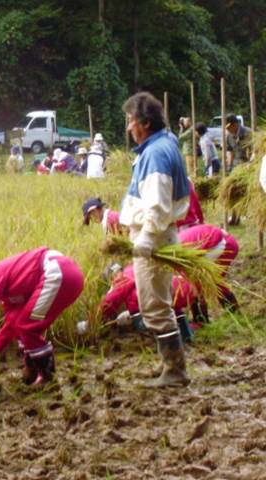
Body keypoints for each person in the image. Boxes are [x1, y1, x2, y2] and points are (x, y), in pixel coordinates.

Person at [121, 91, 191, 388]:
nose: (128, 128)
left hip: (155, 235)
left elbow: (158, 202)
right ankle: (170, 365)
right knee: (158, 301)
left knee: (154, 306)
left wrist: (147, 237)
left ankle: (174, 370)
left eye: (130, 121)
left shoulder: (155, 153)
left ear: (145, 123)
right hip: (160, 231)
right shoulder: (165, 143)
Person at [0, 248, 84, 385]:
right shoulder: (8, 284)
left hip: (56, 273)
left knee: (26, 327)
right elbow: (12, 321)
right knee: (24, 325)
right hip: (69, 275)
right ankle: (32, 370)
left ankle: (46, 376)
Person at [83, 263, 200, 343]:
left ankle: (158, 335)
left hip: (172, 291)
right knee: (164, 306)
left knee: (137, 311)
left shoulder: (124, 277)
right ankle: (186, 333)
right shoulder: (135, 266)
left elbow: (110, 300)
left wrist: (92, 321)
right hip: (184, 288)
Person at [178, 224, 240, 312]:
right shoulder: (175, 242)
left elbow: (192, 279)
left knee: (214, 282)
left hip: (226, 244)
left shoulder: (178, 253)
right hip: (219, 242)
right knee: (200, 283)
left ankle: (234, 311)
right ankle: (202, 318)